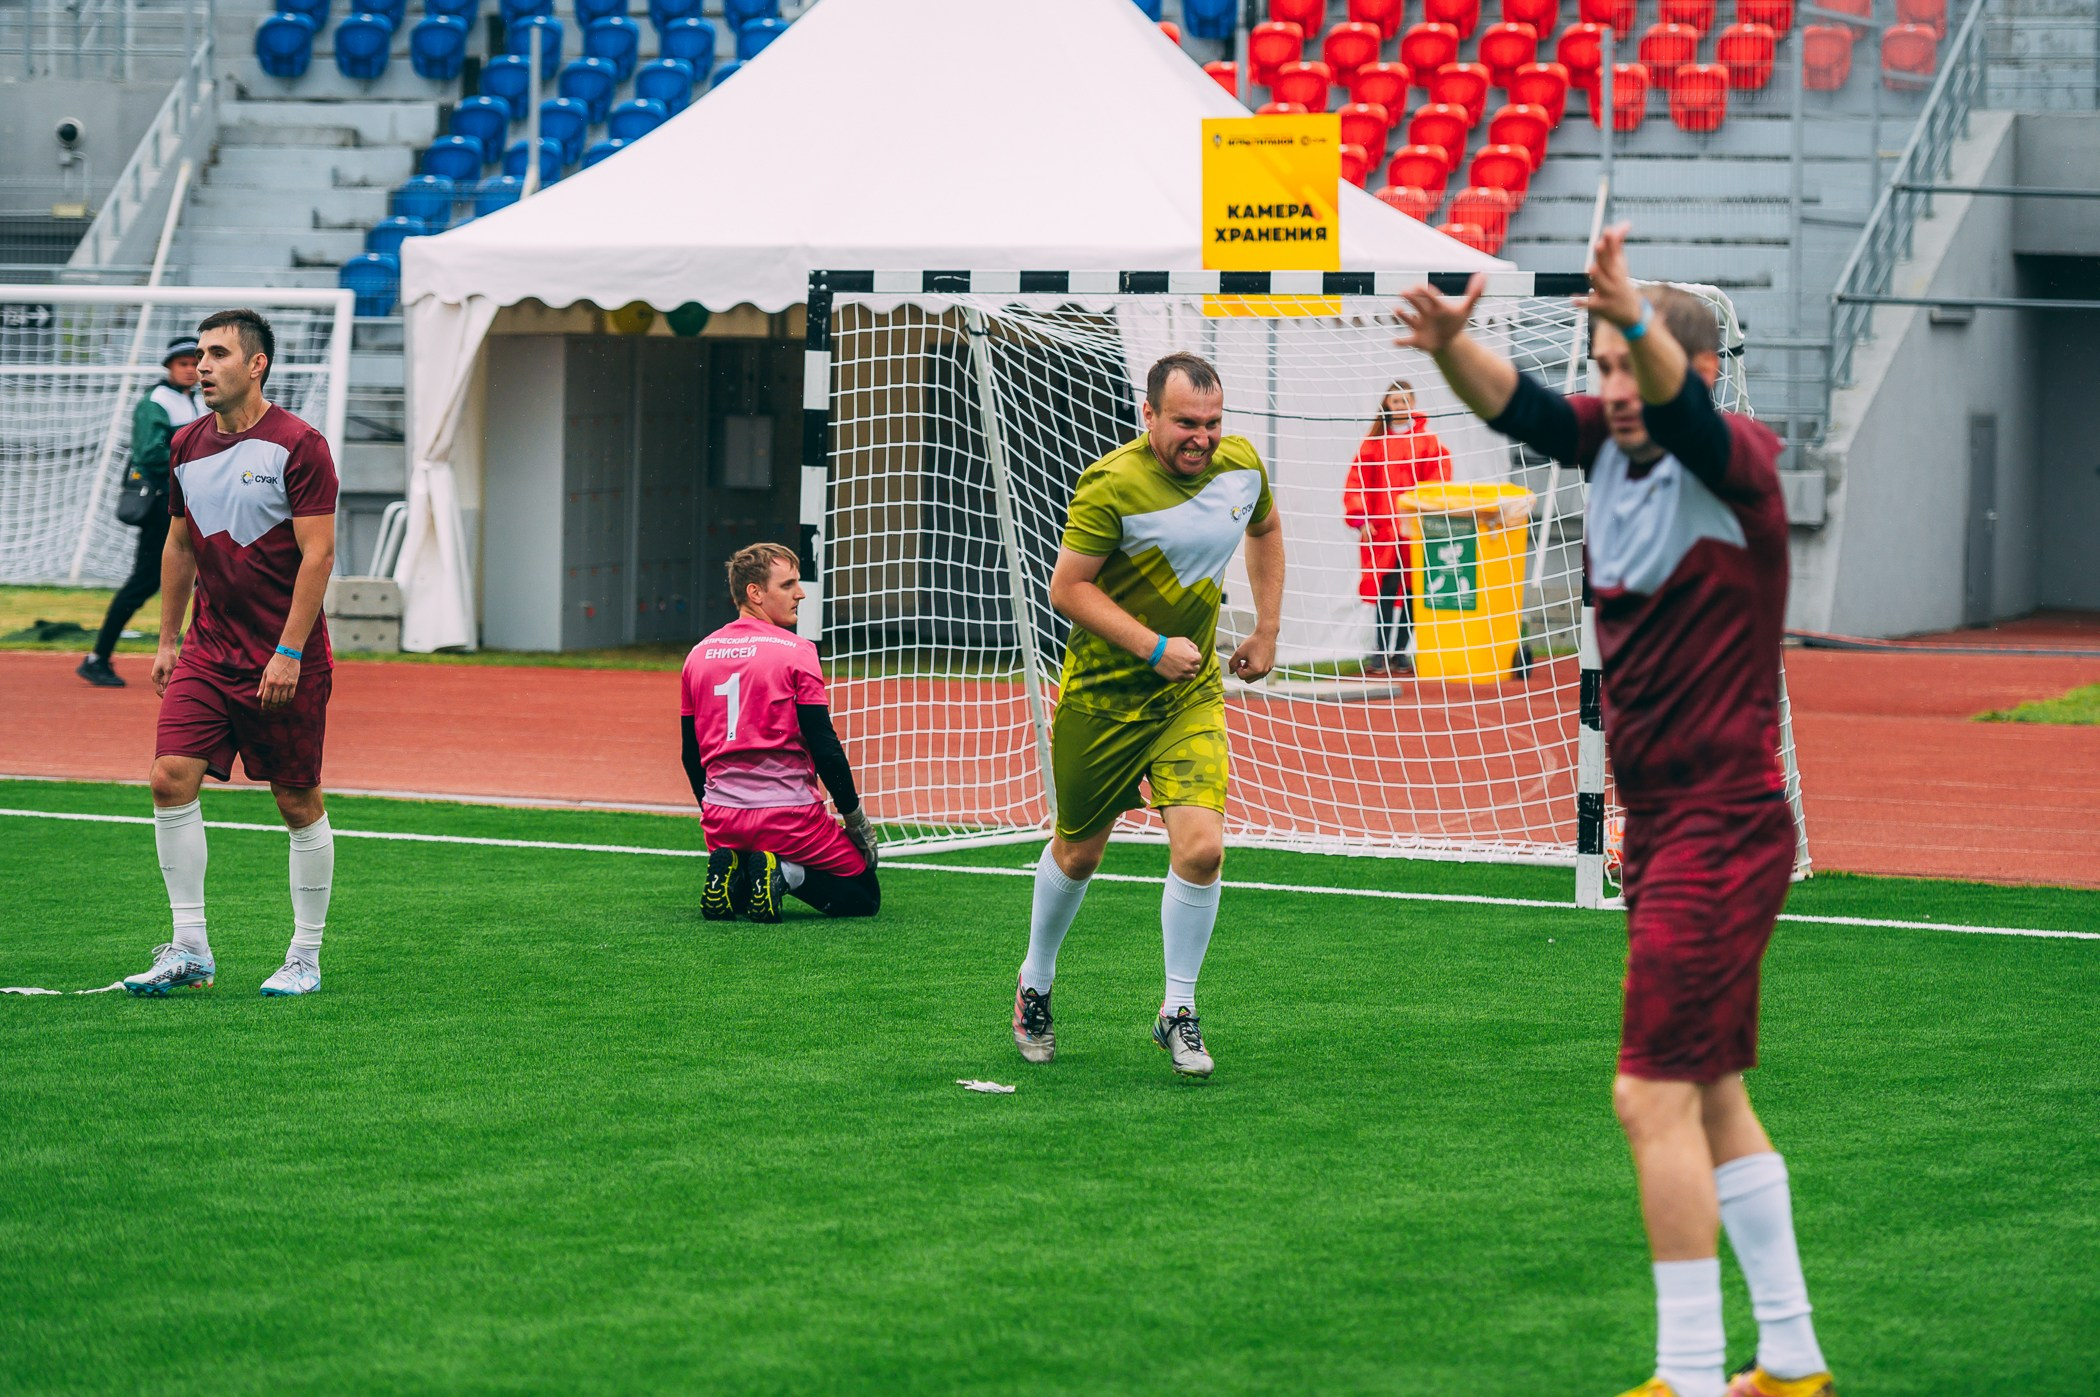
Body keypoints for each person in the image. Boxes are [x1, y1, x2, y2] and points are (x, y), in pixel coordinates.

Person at [1395, 228, 1833, 1397]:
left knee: (1647, 1093)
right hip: (1675, 827)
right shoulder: (1608, 443)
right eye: (1599, 364)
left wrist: (1637, 316)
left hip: (1721, 825)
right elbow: (1524, 409)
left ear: (1680, 369)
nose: (1610, 389)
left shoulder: (1731, 457)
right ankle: (1789, 1358)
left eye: (1630, 366)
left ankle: (1688, 1375)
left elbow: (1683, 409)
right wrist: (1450, 345)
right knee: (1712, 1092)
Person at [1011, 351, 1285, 1079]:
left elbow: (1265, 527)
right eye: (1187, 423)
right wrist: (1151, 643)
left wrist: (1266, 628)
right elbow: (1067, 588)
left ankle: (1178, 1009)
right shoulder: (1112, 485)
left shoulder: (1241, 465)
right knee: (1080, 852)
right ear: (1150, 415)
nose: (1203, 437)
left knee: (1203, 849)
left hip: (1187, 695)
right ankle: (1035, 981)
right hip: (1103, 696)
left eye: (1214, 422)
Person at [122, 309, 341, 1000]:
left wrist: (288, 650)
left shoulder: (301, 445)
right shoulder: (185, 444)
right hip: (209, 652)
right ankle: (190, 947)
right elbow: (180, 544)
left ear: (257, 365)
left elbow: (319, 554)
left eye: (218, 353)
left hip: (284, 657)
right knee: (168, 777)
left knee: (296, 798)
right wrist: (166, 638)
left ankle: (304, 956)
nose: (204, 365)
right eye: (200, 354)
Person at [680, 542, 880, 923]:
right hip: (787, 816)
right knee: (864, 895)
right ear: (754, 593)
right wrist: (855, 819)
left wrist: (712, 810)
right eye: (788, 585)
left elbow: (691, 755)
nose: (801, 593)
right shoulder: (797, 651)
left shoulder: (698, 655)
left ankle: (735, 864)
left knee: (743, 887)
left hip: (722, 816)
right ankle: (786, 871)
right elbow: (824, 748)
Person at [78, 336, 206, 687]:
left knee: (203, 579)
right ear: (168, 367)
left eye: (195, 362)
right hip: (161, 507)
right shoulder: (156, 402)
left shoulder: (192, 401)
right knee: (145, 581)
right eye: (183, 363)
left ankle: (203, 662)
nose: (191, 370)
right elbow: (149, 453)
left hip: (183, 504)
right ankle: (97, 657)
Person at [1340, 378, 1450, 675]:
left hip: (1415, 530)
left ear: (1413, 404)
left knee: (1416, 591)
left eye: (1405, 400)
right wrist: (1360, 518)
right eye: (1395, 400)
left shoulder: (1428, 442)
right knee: (1385, 590)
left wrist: (1431, 517)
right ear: (1387, 404)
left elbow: (1439, 480)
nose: (1400, 405)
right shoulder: (1373, 443)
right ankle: (1380, 652)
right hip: (1383, 529)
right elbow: (1356, 482)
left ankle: (1401, 652)